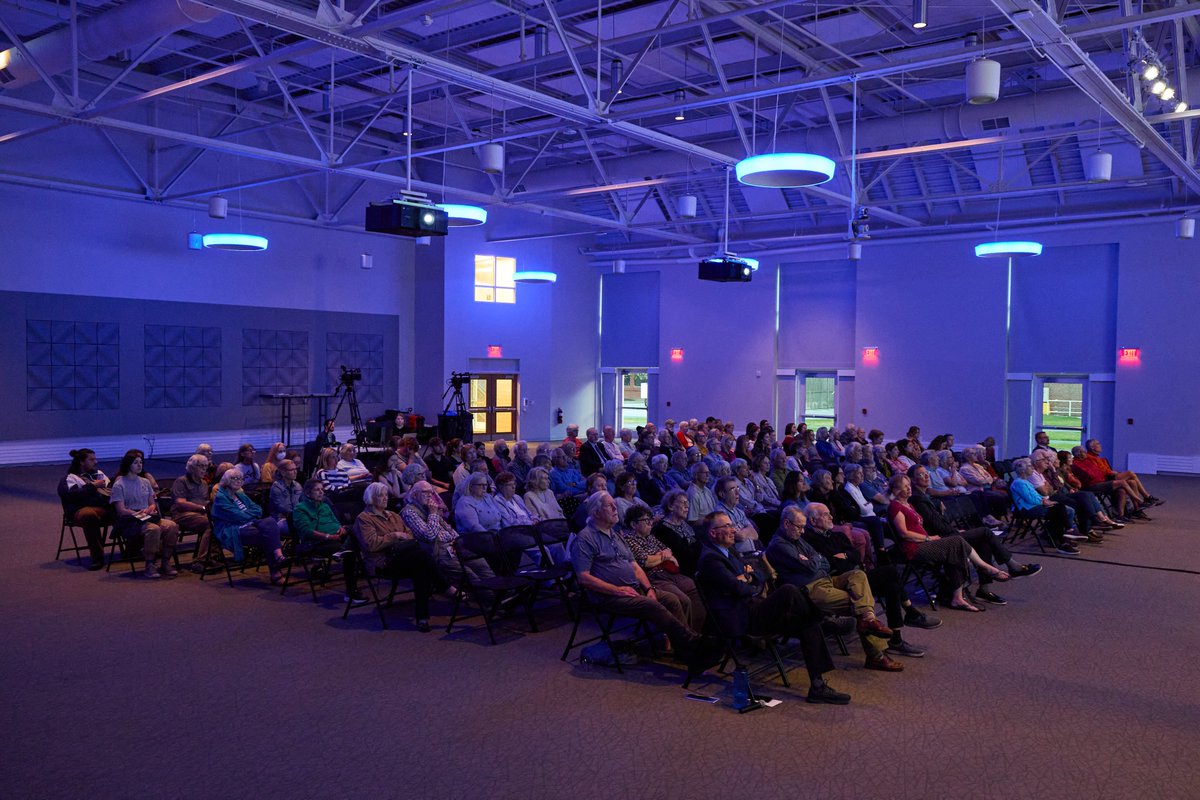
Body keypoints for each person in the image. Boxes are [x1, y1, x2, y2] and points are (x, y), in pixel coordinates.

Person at [695, 511, 851, 705]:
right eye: (726, 526)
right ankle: (823, 620)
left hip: (753, 606)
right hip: (741, 617)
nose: (733, 529)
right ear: (713, 533)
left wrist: (747, 577)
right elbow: (739, 589)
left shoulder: (730, 550)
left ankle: (817, 687)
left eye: (731, 525)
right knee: (788, 591)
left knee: (806, 623)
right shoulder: (711, 559)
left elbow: (760, 573)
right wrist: (749, 579)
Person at [569, 492, 720, 679]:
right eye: (609, 506)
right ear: (596, 512)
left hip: (634, 589)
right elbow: (583, 578)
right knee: (652, 605)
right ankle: (692, 643)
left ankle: (686, 651)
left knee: (671, 599)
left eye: (615, 504)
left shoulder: (615, 535)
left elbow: (634, 566)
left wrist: (649, 589)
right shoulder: (584, 539)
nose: (615, 509)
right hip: (609, 596)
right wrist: (617, 590)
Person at [767, 506, 904, 672]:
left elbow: (824, 561)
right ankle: (876, 655)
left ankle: (868, 620)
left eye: (803, 527)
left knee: (858, 575)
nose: (803, 531)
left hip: (827, 579)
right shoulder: (778, 545)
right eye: (799, 527)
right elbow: (812, 566)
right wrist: (815, 559)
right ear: (786, 524)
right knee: (858, 602)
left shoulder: (797, 539)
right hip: (811, 589)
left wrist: (813, 559)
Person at [908, 465, 1040, 604]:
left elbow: (937, 521)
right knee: (985, 532)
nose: (926, 476)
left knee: (984, 543)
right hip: (940, 541)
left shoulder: (924, 497)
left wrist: (937, 505)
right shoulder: (917, 499)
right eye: (921, 474)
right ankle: (1012, 566)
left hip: (947, 534)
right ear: (913, 480)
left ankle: (984, 589)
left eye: (926, 473)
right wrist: (955, 531)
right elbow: (935, 526)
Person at [888, 474, 1007, 613]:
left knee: (956, 550)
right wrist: (928, 538)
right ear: (896, 490)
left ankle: (958, 597)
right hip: (914, 548)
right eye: (905, 486)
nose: (909, 488)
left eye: (909, 485)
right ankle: (985, 568)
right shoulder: (895, 507)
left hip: (924, 542)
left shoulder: (909, 505)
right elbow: (904, 533)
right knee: (957, 542)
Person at [356, 482, 440, 632]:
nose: (386, 498)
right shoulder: (364, 518)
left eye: (386, 495)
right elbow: (371, 544)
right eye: (381, 495)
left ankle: (422, 617)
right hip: (383, 562)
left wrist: (399, 538)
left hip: (403, 556)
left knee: (421, 566)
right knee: (422, 558)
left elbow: (410, 535)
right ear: (371, 498)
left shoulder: (394, 515)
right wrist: (394, 536)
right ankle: (444, 587)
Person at [620, 506, 705, 634]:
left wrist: (662, 555)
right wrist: (664, 557)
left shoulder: (650, 537)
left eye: (651, 519)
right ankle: (685, 636)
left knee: (694, 588)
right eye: (646, 520)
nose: (650, 523)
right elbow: (645, 561)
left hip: (669, 572)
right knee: (683, 600)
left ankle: (698, 631)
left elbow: (668, 550)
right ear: (633, 524)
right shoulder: (628, 540)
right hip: (654, 577)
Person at [110, 449, 180, 579]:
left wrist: (150, 509)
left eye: (141, 462)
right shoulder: (119, 485)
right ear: (128, 465)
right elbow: (121, 510)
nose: (139, 465)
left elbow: (152, 503)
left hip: (147, 516)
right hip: (130, 520)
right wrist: (137, 512)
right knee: (153, 529)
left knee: (172, 526)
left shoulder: (145, 482)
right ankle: (150, 564)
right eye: (136, 463)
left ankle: (165, 561)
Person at [211, 469, 287, 583]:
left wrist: (249, 516)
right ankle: (277, 564)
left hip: (251, 524)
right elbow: (238, 516)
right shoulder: (221, 497)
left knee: (270, 522)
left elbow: (258, 509)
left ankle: (278, 561)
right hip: (233, 529)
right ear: (226, 480)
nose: (238, 481)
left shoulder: (239, 494)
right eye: (234, 478)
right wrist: (251, 516)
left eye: (240, 479)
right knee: (268, 534)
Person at [1011, 458, 1080, 555]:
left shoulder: (1025, 481)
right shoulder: (1019, 483)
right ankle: (1065, 535)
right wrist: (1043, 501)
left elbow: (1036, 496)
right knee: (1058, 509)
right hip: (1027, 509)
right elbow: (1030, 499)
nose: (1032, 468)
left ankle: (1061, 539)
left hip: (1034, 506)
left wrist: (1044, 500)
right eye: (1030, 466)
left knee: (1058, 508)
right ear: (1022, 471)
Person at [58, 448, 113, 569]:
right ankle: (97, 557)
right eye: (91, 460)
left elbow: (111, 489)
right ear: (81, 462)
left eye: (95, 459)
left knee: (123, 510)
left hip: (102, 508)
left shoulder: (99, 474)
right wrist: (92, 486)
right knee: (88, 515)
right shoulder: (70, 478)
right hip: (79, 512)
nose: (96, 462)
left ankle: (133, 550)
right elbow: (71, 496)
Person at [171, 454, 214, 568]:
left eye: (205, 466)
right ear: (192, 467)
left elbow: (205, 501)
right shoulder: (181, 481)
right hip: (182, 515)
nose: (204, 469)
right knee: (211, 524)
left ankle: (213, 556)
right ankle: (201, 561)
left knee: (220, 521)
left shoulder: (204, 483)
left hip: (200, 515)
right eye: (201, 466)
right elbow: (180, 503)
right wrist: (202, 508)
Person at [291, 478, 350, 558]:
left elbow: (336, 521)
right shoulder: (300, 508)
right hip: (317, 543)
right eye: (317, 490)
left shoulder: (325, 506)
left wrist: (341, 528)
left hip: (336, 537)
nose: (321, 492)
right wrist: (328, 537)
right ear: (308, 493)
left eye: (322, 489)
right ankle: (344, 550)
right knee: (345, 547)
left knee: (355, 532)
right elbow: (306, 531)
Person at [652, 489, 701, 576]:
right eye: (683, 503)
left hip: (696, 567)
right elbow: (682, 553)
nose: (687, 506)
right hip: (679, 572)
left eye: (687, 502)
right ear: (670, 506)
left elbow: (698, 545)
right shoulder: (660, 529)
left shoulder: (685, 525)